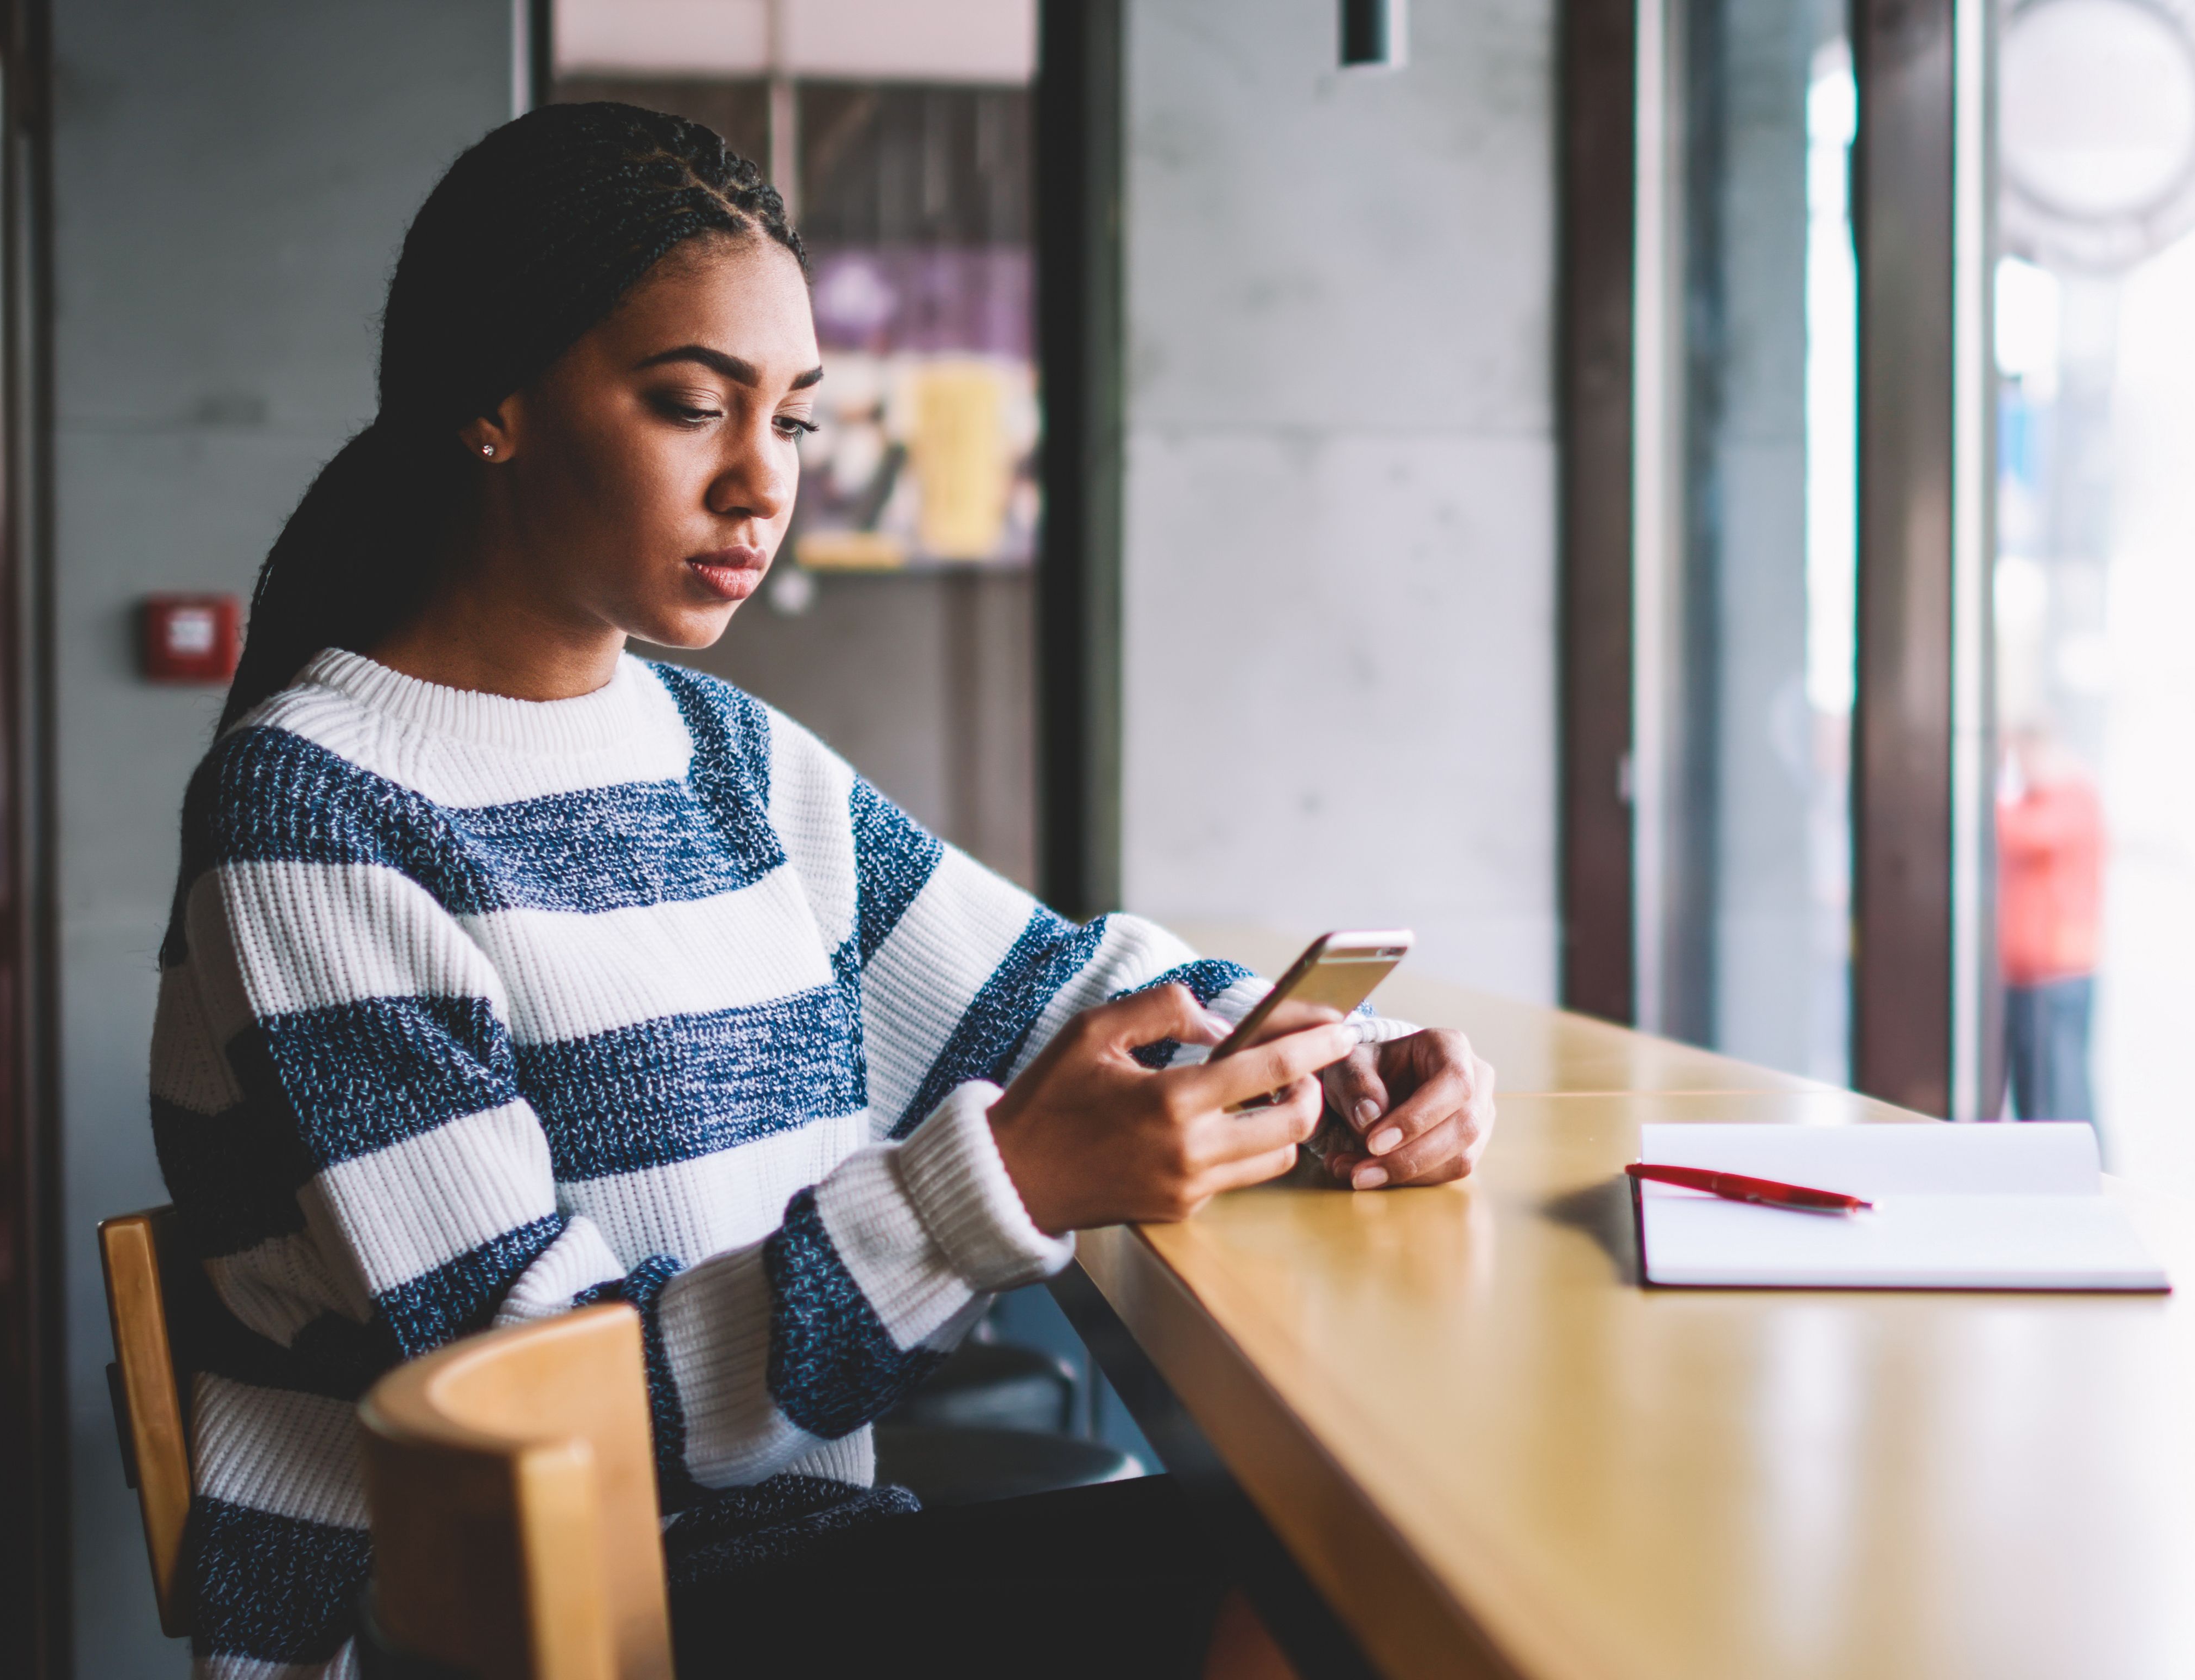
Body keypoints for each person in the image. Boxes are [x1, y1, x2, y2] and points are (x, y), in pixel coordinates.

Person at [149, 103, 1496, 1679]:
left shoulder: (719, 755)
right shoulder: (315, 814)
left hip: (787, 1570)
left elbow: (1051, 993)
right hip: (548, 1632)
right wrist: (1009, 1189)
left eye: (791, 420)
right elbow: (541, 1427)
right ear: (491, 403)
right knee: (1345, 1589)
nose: (759, 483)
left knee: (1346, 1554)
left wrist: (1313, 1062)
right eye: (688, 405)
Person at [1996, 726, 2104, 1129]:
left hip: (2057, 975)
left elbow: (2022, 834)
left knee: (2060, 1095)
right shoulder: (2034, 800)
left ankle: (2086, 1181)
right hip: (2028, 974)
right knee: (2034, 1094)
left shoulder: (2072, 798)